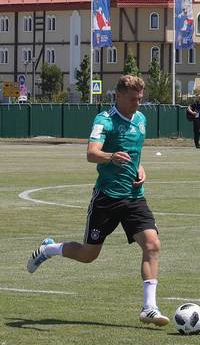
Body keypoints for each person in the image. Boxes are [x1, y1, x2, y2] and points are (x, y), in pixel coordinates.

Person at [25, 75, 169, 327]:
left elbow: (134, 154)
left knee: (152, 244)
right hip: (107, 198)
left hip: (135, 198)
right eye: (134, 99)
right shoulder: (104, 121)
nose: (138, 103)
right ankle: (49, 249)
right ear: (119, 96)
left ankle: (149, 308)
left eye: (141, 99)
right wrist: (111, 156)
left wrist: (140, 168)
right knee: (88, 254)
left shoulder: (141, 119)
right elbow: (91, 154)